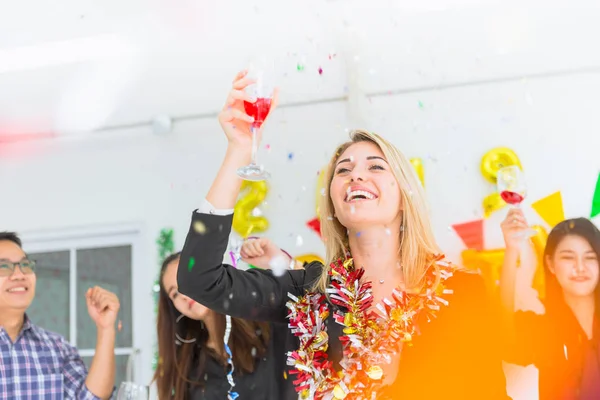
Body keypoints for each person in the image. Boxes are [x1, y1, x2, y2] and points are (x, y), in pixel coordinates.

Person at [177, 70, 509, 399]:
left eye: (376, 167)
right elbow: (199, 280)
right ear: (334, 203)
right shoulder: (309, 290)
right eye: (343, 170)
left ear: (405, 197)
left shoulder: (461, 293)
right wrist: (239, 150)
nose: (356, 176)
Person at [153, 251, 292, 400]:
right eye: (175, 294)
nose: (184, 296)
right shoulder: (187, 363)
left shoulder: (268, 325)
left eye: (187, 282)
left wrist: (283, 263)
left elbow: (311, 301)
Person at [0, 231, 120, 399]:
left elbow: (91, 398)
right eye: (4, 267)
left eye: (25, 265)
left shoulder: (57, 348)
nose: (20, 275)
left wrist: (105, 328)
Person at [500, 211, 600, 399]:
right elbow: (508, 341)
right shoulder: (547, 328)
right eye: (568, 257)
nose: (580, 267)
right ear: (551, 264)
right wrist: (512, 250)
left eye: (590, 257)